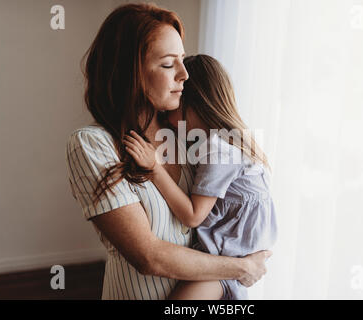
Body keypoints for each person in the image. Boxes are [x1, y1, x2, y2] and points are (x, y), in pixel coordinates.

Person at [65, 4, 271, 300]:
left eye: (183, 60)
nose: (185, 75)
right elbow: (149, 257)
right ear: (130, 73)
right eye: (167, 64)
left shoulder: (186, 133)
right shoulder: (93, 144)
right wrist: (240, 267)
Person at [123, 54, 278, 300]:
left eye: (174, 104)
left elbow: (193, 216)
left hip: (221, 267)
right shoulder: (228, 142)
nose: (166, 117)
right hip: (227, 262)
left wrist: (154, 168)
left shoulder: (220, 150)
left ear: (193, 103)